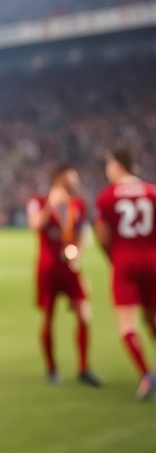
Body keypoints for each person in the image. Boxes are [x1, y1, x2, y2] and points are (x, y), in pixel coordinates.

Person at [26, 164, 101, 387]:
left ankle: (84, 368)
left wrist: (79, 253)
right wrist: (51, 204)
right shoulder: (39, 201)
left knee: (84, 315)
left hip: (71, 269)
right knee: (48, 317)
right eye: (72, 177)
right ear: (59, 178)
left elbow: (83, 233)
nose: (75, 181)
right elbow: (35, 224)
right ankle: (51, 369)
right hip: (48, 269)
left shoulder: (78, 204)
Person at [93, 147, 156, 400]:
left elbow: (102, 236)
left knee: (127, 325)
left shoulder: (108, 196)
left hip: (124, 261)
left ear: (118, 165)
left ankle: (146, 375)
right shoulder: (152, 192)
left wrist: (113, 258)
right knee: (151, 318)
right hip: (152, 260)